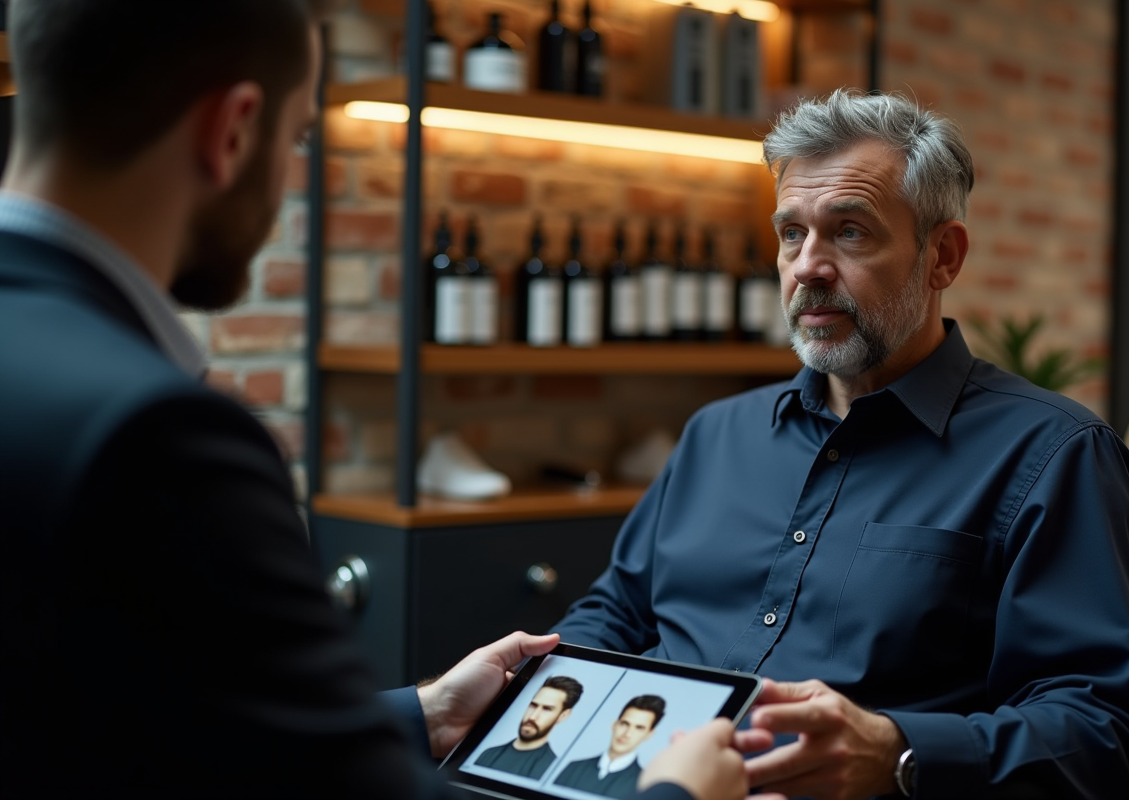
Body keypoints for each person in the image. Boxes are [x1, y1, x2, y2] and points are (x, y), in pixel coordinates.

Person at [0, 2, 755, 799]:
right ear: (232, 130)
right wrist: (677, 794)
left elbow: (147, 723)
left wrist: (420, 712)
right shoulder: (157, 435)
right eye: (296, 141)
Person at [552, 89, 1129, 800]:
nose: (807, 267)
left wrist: (899, 751)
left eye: (849, 232)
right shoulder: (715, 433)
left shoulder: (1055, 456)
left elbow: (1106, 739)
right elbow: (617, 616)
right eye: (791, 233)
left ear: (943, 256)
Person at [555, 695, 667, 798]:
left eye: (639, 728)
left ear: (649, 734)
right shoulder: (574, 768)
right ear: (614, 725)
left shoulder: (644, 787)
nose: (627, 734)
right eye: (625, 724)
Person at [476, 676, 585, 778]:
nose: (532, 717)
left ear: (563, 715)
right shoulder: (489, 753)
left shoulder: (550, 768)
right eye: (533, 705)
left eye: (547, 709)